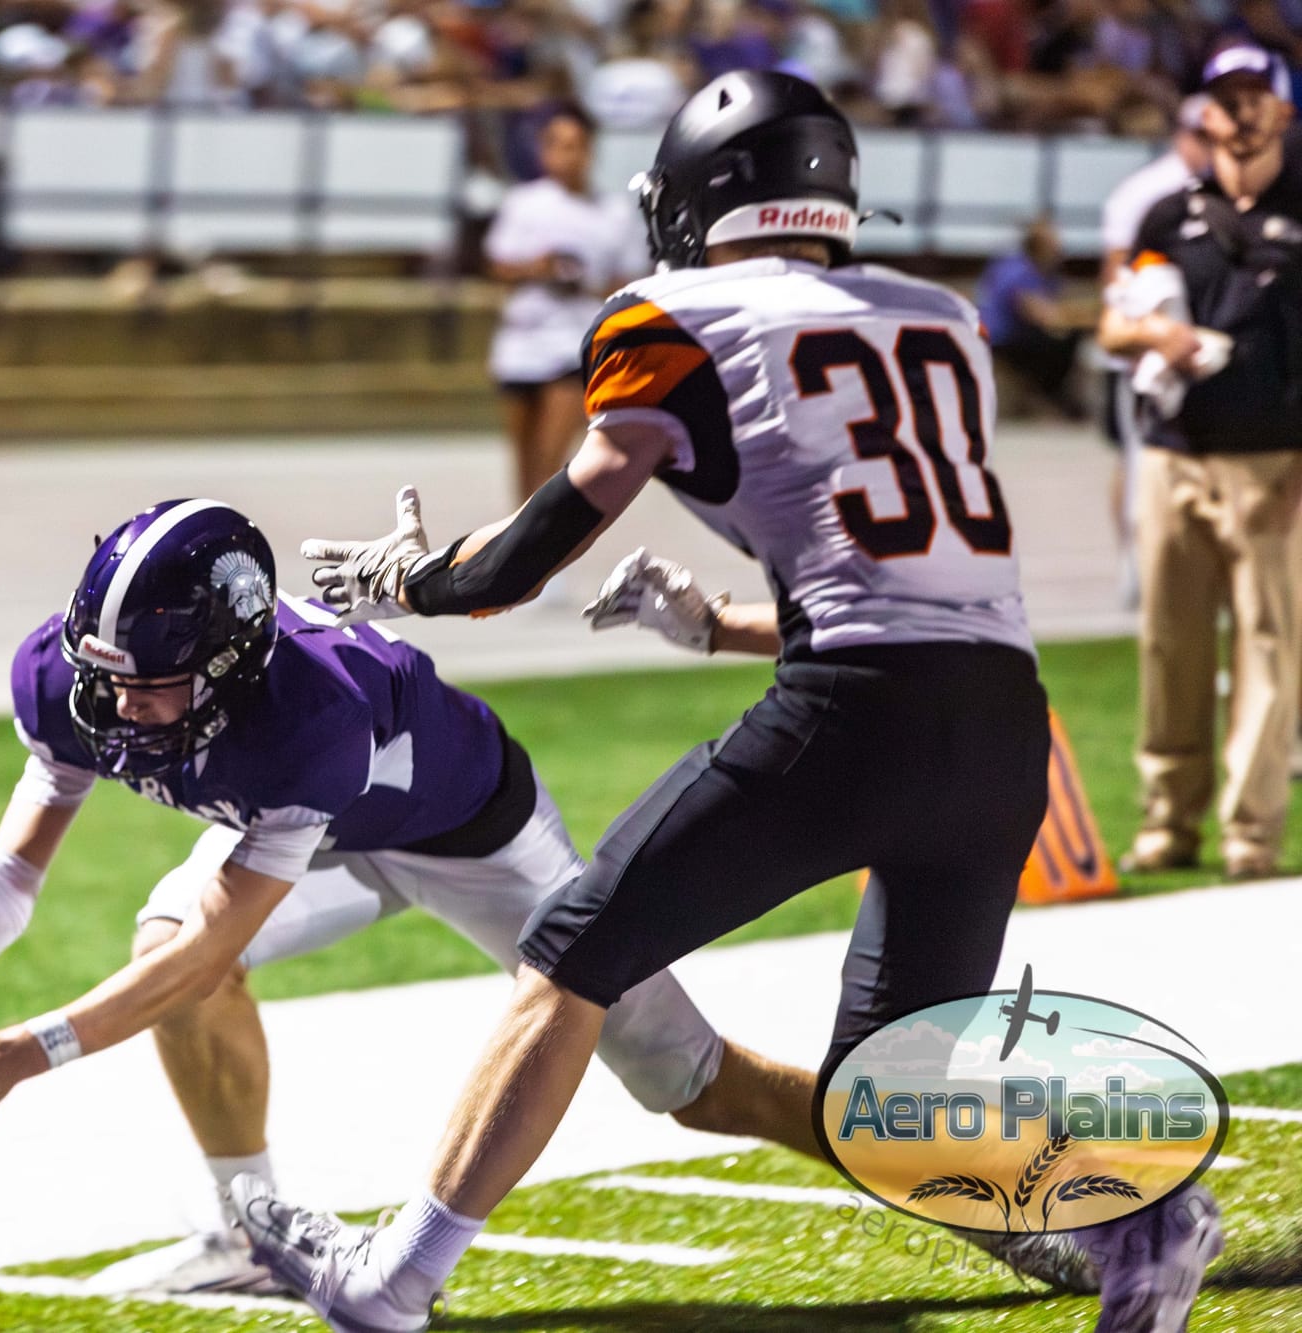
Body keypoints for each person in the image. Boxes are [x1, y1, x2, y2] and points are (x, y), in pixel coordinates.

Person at [236, 71, 1222, 1333]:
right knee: (883, 1091)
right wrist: (715, 625)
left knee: (569, 954)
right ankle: (1134, 1219)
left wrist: (412, 579)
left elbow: (528, 554)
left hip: (851, 718)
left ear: (700, 198)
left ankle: (393, 1281)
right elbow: (917, 589)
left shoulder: (670, 319)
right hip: (995, 720)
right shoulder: (935, 317)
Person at [0, 499, 848, 1296]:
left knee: (694, 1084)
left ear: (230, 665)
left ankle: (926, 1157)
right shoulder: (68, 675)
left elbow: (209, 951)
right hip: (322, 832)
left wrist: (22, 1052)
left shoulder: (309, 711)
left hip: (473, 836)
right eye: (105, 674)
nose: (121, 707)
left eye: (155, 684)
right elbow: (13, 871)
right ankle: (245, 1231)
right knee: (159, 939)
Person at [1102, 45, 1302, 881]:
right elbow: (1112, 326)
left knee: (1269, 648)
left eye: (1257, 96)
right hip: (1174, 454)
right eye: (1227, 98)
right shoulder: (1165, 216)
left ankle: (1251, 832)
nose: (1241, 112)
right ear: (1204, 115)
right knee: (1170, 644)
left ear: (1284, 110)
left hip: (1275, 461)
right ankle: (1168, 821)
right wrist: (1158, 333)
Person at [484, 102, 648, 516]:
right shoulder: (524, 203)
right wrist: (537, 268)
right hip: (523, 339)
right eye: (558, 145)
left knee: (551, 457)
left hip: (574, 342)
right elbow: (498, 265)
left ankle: (539, 538)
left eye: (575, 145)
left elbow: (629, 281)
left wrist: (584, 282)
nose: (567, 155)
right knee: (523, 458)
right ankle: (518, 535)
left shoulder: (613, 212)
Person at [1098, 95, 1212, 605]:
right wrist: (1148, 337)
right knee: (1141, 460)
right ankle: (1135, 565)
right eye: (1200, 136)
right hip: (1148, 352)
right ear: (1180, 135)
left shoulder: (1234, 191)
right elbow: (1117, 283)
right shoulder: (1147, 193)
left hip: (1204, 353)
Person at [977, 217, 1088, 417]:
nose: (1061, 250)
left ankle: (1051, 397)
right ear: (1040, 246)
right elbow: (1041, 315)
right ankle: (1052, 398)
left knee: (1065, 342)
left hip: (1017, 335)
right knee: (1065, 344)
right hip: (1002, 339)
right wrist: (1080, 317)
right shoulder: (1019, 271)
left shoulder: (1044, 272)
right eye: (1055, 245)